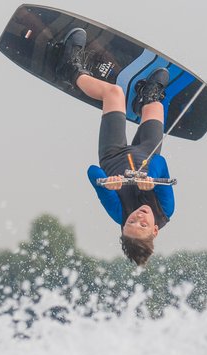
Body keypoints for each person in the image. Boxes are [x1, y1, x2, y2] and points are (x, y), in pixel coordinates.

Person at [55, 27, 174, 267]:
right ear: (155, 230)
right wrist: (150, 179)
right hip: (147, 153)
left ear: (123, 225)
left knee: (114, 93)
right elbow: (160, 163)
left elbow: (92, 172)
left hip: (114, 153)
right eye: (143, 224)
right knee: (156, 108)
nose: (138, 217)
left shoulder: (118, 211)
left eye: (131, 223)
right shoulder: (165, 210)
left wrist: (107, 183)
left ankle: (71, 70)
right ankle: (146, 97)